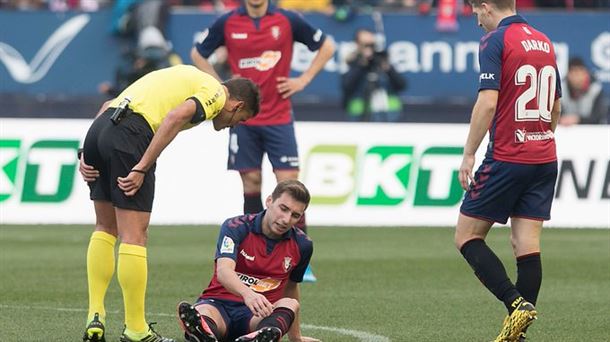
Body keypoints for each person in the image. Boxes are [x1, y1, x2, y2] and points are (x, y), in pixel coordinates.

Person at [79, 64, 260, 342]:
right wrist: (141, 167)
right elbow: (176, 116)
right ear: (237, 104)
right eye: (242, 119)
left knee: (105, 227)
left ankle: (95, 316)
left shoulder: (186, 77)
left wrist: (85, 151)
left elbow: (107, 104)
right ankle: (136, 330)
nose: (235, 125)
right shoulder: (215, 92)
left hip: (101, 128)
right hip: (130, 135)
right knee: (135, 235)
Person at [190, 0, 335, 282]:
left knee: (289, 183)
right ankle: (252, 254)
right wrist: (221, 88)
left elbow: (326, 46)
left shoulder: (287, 19)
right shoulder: (228, 22)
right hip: (243, 118)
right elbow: (198, 54)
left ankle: (298, 261)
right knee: (252, 182)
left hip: (279, 116)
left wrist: (303, 80)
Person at [453, 0, 562, 341]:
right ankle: (517, 335)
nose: (473, 16)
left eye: (474, 8)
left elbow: (487, 102)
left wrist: (468, 154)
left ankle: (517, 304)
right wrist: (541, 137)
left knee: (467, 236)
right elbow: (556, 105)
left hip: (508, 156)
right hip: (544, 156)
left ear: (486, 7)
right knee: (525, 245)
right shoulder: (543, 40)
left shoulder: (494, 41)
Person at [176, 180, 319, 342]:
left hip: (258, 316)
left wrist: (296, 338)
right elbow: (224, 271)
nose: (286, 219)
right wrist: (248, 294)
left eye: (295, 215)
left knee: (290, 304)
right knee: (202, 312)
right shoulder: (235, 227)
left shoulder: (303, 244)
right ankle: (204, 333)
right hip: (218, 304)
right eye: (283, 209)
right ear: (269, 201)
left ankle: (258, 337)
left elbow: (291, 287)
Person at [341, 28, 407, 122]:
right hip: (359, 114)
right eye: (365, 45)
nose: (369, 49)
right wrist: (361, 65)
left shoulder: (381, 60)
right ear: (357, 44)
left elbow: (402, 85)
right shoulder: (351, 62)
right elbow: (346, 86)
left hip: (389, 114)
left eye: (372, 45)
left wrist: (387, 68)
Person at [559, 57, 608, 126]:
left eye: (580, 72)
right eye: (574, 73)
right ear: (568, 75)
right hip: (566, 132)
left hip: (591, 132)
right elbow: (554, 115)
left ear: (586, 74)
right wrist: (561, 119)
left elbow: (599, 118)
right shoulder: (561, 91)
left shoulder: (596, 90)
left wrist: (578, 120)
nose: (577, 77)